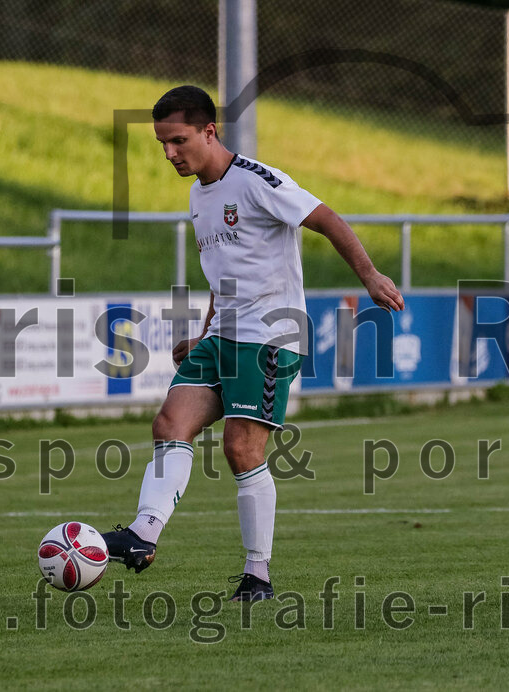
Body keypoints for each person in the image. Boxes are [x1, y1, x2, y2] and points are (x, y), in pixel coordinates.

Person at [103, 85, 404, 601]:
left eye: (178, 140)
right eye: (162, 145)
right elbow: (226, 277)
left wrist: (370, 275)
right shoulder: (199, 196)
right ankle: (142, 535)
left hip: (268, 335)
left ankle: (257, 575)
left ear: (209, 131)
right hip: (221, 336)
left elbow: (326, 219)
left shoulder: (258, 180)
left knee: (241, 448)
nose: (170, 154)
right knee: (169, 424)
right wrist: (201, 334)